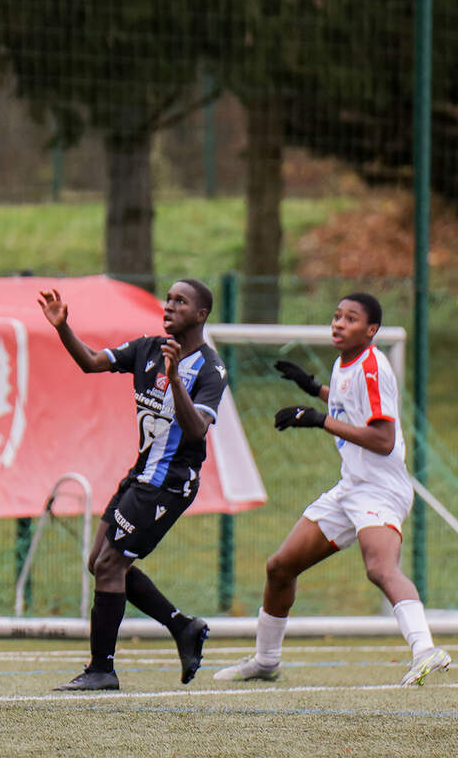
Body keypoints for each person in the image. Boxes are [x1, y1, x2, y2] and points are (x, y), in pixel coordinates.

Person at [215, 293, 452, 686]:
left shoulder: (373, 365)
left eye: (351, 318)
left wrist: (317, 419)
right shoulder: (346, 363)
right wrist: (313, 387)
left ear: (372, 330)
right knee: (280, 567)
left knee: (380, 568)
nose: (339, 323)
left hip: (380, 490)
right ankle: (265, 660)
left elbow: (383, 439)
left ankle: (426, 650)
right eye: (337, 316)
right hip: (351, 488)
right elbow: (349, 404)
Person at [38, 279, 224, 691]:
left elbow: (196, 431)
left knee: (109, 565)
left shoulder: (210, 369)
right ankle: (183, 626)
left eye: (181, 301)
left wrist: (175, 379)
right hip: (141, 474)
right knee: (99, 562)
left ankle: (102, 669)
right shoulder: (146, 348)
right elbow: (89, 361)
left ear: (201, 314)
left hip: (170, 482)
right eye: (169, 298)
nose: (169, 305)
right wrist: (61, 327)